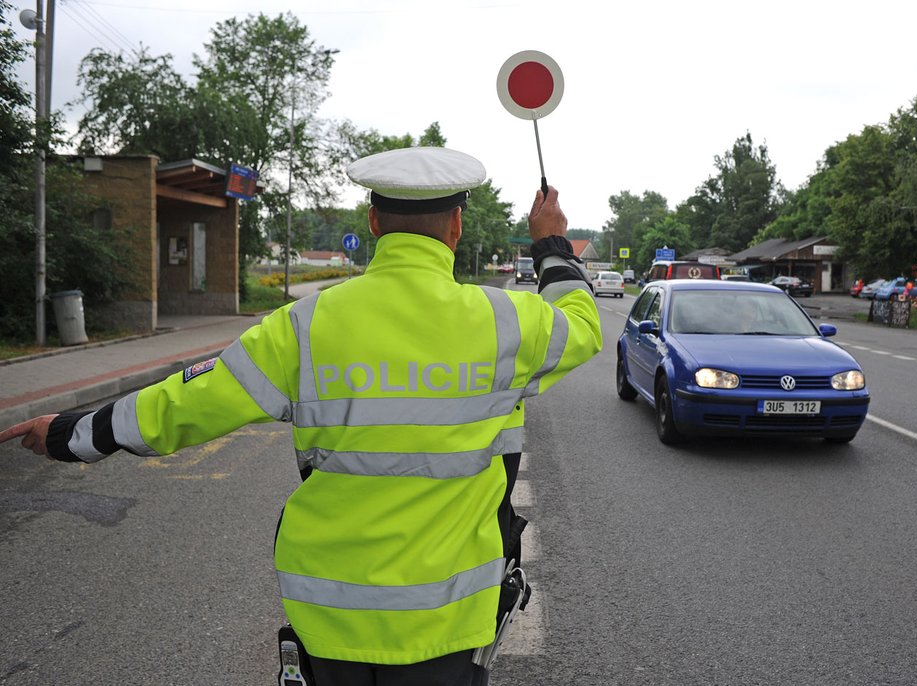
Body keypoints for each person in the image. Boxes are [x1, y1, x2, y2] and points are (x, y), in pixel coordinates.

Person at [0, 146, 602, 685]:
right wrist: (549, 240)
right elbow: (582, 322)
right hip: (447, 620)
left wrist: (65, 435)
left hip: (328, 615)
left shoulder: (305, 325)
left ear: (372, 223)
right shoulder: (505, 324)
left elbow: (179, 404)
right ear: (456, 224)